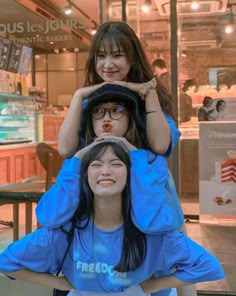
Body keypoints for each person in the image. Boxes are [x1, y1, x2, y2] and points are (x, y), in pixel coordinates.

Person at [0, 140, 225, 296]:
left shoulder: (152, 235)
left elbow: (209, 267)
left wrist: (157, 284)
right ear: (85, 177)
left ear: (129, 177)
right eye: (96, 164)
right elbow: (6, 262)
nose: (105, 170)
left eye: (116, 164)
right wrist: (57, 282)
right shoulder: (65, 232)